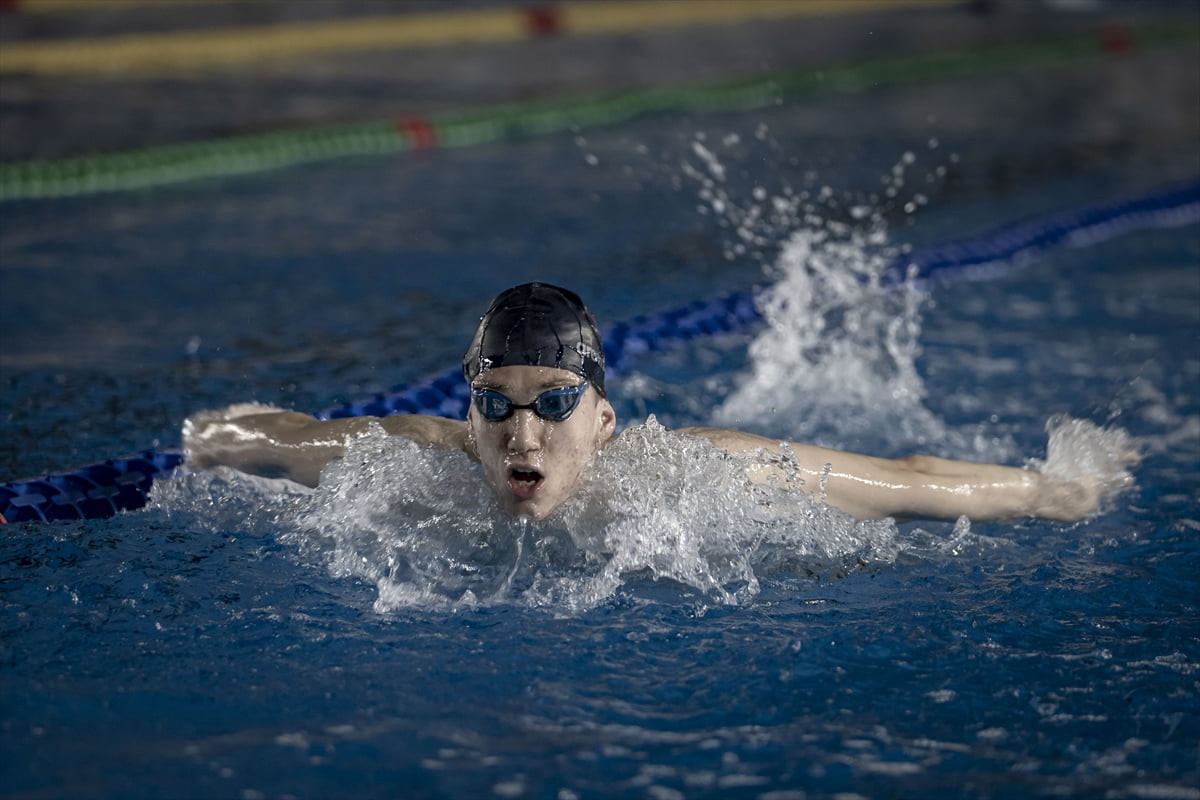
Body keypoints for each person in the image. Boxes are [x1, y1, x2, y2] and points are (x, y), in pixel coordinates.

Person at [183, 282, 1130, 523]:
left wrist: (1049, 491)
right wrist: (211, 440)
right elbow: (278, 435)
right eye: (498, 406)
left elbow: (906, 482)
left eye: (554, 404)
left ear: (602, 420)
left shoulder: (692, 479)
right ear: (466, 417)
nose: (522, 432)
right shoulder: (408, 457)